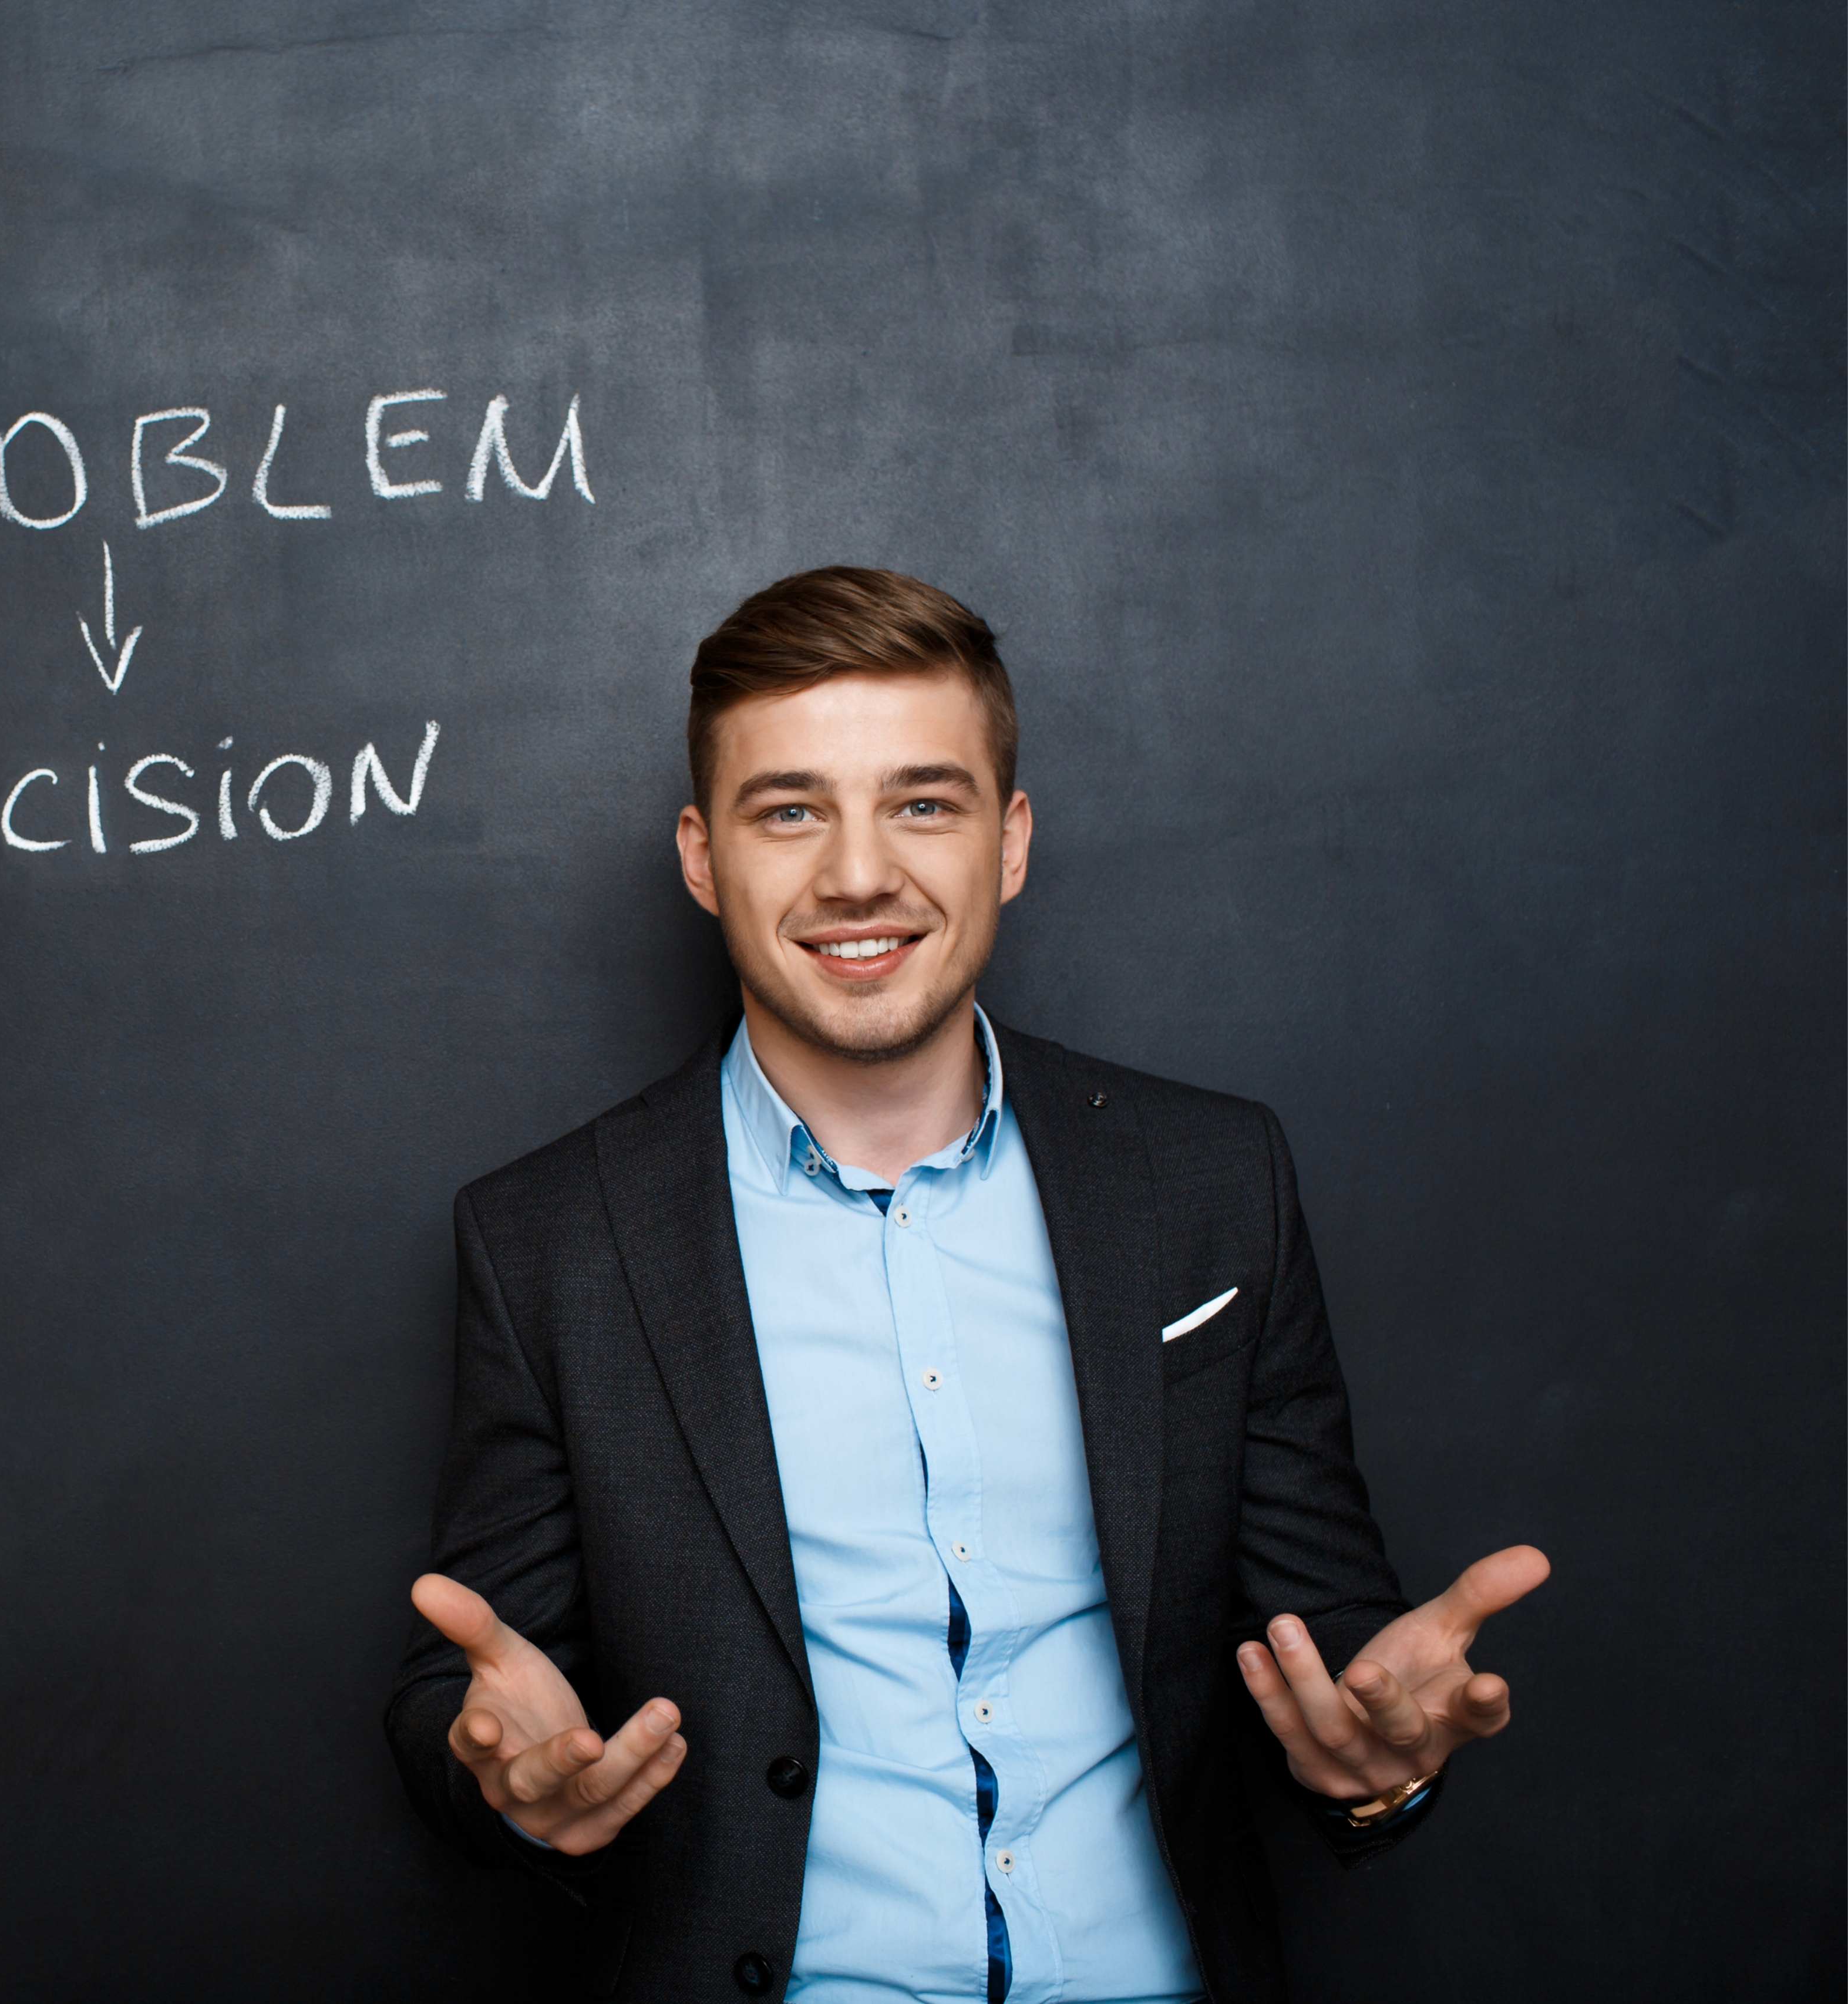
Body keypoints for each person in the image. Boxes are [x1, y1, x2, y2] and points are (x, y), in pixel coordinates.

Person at [383, 568, 1545, 2003]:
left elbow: (1338, 1645)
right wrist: (505, 1784)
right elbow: (468, 1686)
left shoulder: (1210, 1183)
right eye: (789, 811)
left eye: (922, 804)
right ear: (701, 857)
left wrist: (1382, 1762)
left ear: (1010, 841)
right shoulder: (547, 1240)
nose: (857, 875)